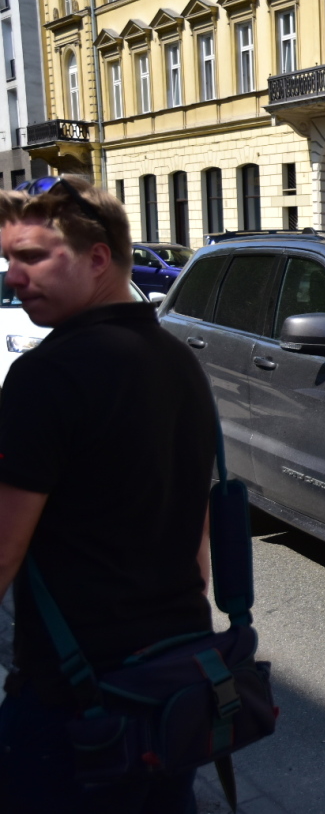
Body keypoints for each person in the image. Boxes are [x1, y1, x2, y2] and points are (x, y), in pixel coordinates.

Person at [0, 175, 217, 813]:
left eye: (33, 257)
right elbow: (196, 528)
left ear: (97, 257)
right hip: (176, 684)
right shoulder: (179, 361)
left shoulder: (44, 377)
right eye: (9, 258)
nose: (14, 276)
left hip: (74, 699)